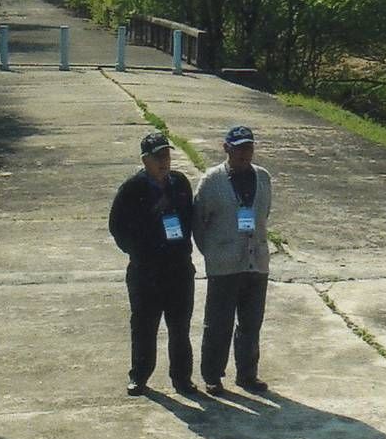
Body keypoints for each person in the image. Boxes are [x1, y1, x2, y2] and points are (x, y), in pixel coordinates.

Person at [109, 131, 196, 396]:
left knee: (180, 328)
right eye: (158, 157)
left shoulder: (180, 183)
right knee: (144, 326)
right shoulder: (132, 188)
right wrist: (140, 252)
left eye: (166, 155)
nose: (163, 161)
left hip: (178, 269)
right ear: (145, 160)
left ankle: (182, 379)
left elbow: (190, 218)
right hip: (146, 272)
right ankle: (139, 376)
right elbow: (117, 227)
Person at [193, 126, 272, 396]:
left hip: (256, 262)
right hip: (224, 265)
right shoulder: (212, 181)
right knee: (218, 323)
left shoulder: (263, 178)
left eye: (248, 147)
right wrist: (214, 254)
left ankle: (247, 374)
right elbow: (199, 223)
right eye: (238, 148)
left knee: (251, 323)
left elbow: (265, 215)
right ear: (225, 148)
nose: (243, 153)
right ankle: (212, 375)